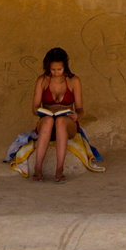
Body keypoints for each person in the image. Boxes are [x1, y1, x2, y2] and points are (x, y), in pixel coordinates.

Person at [28, 47, 84, 183]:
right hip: (46, 123)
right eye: (53, 69)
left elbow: (80, 108)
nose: (56, 72)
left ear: (65, 66)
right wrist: (41, 111)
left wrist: (77, 115)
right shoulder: (42, 80)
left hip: (67, 124)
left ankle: (59, 170)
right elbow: (34, 108)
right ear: (47, 67)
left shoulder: (74, 81)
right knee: (48, 120)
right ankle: (38, 169)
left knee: (60, 121)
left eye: (59, 69)